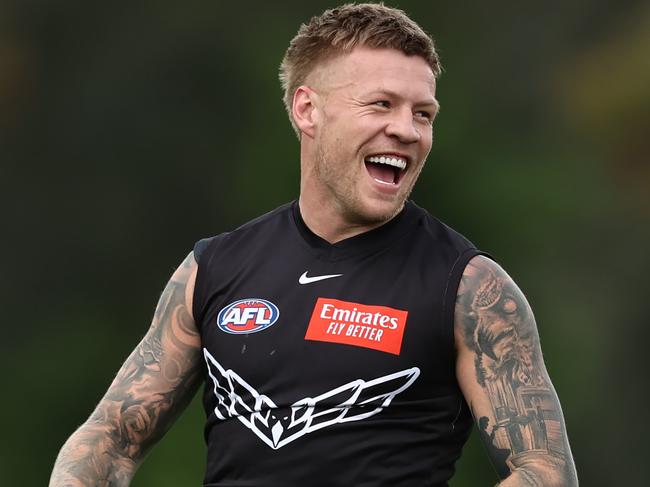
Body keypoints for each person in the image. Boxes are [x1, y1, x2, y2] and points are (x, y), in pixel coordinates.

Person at [49, 3, 578, 486]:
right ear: (308, 109)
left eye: (423, 113)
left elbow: (543, 470)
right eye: (381, 104)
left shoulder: (468, 287)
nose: (408, 130)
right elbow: (111, 439)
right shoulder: (214, 267)